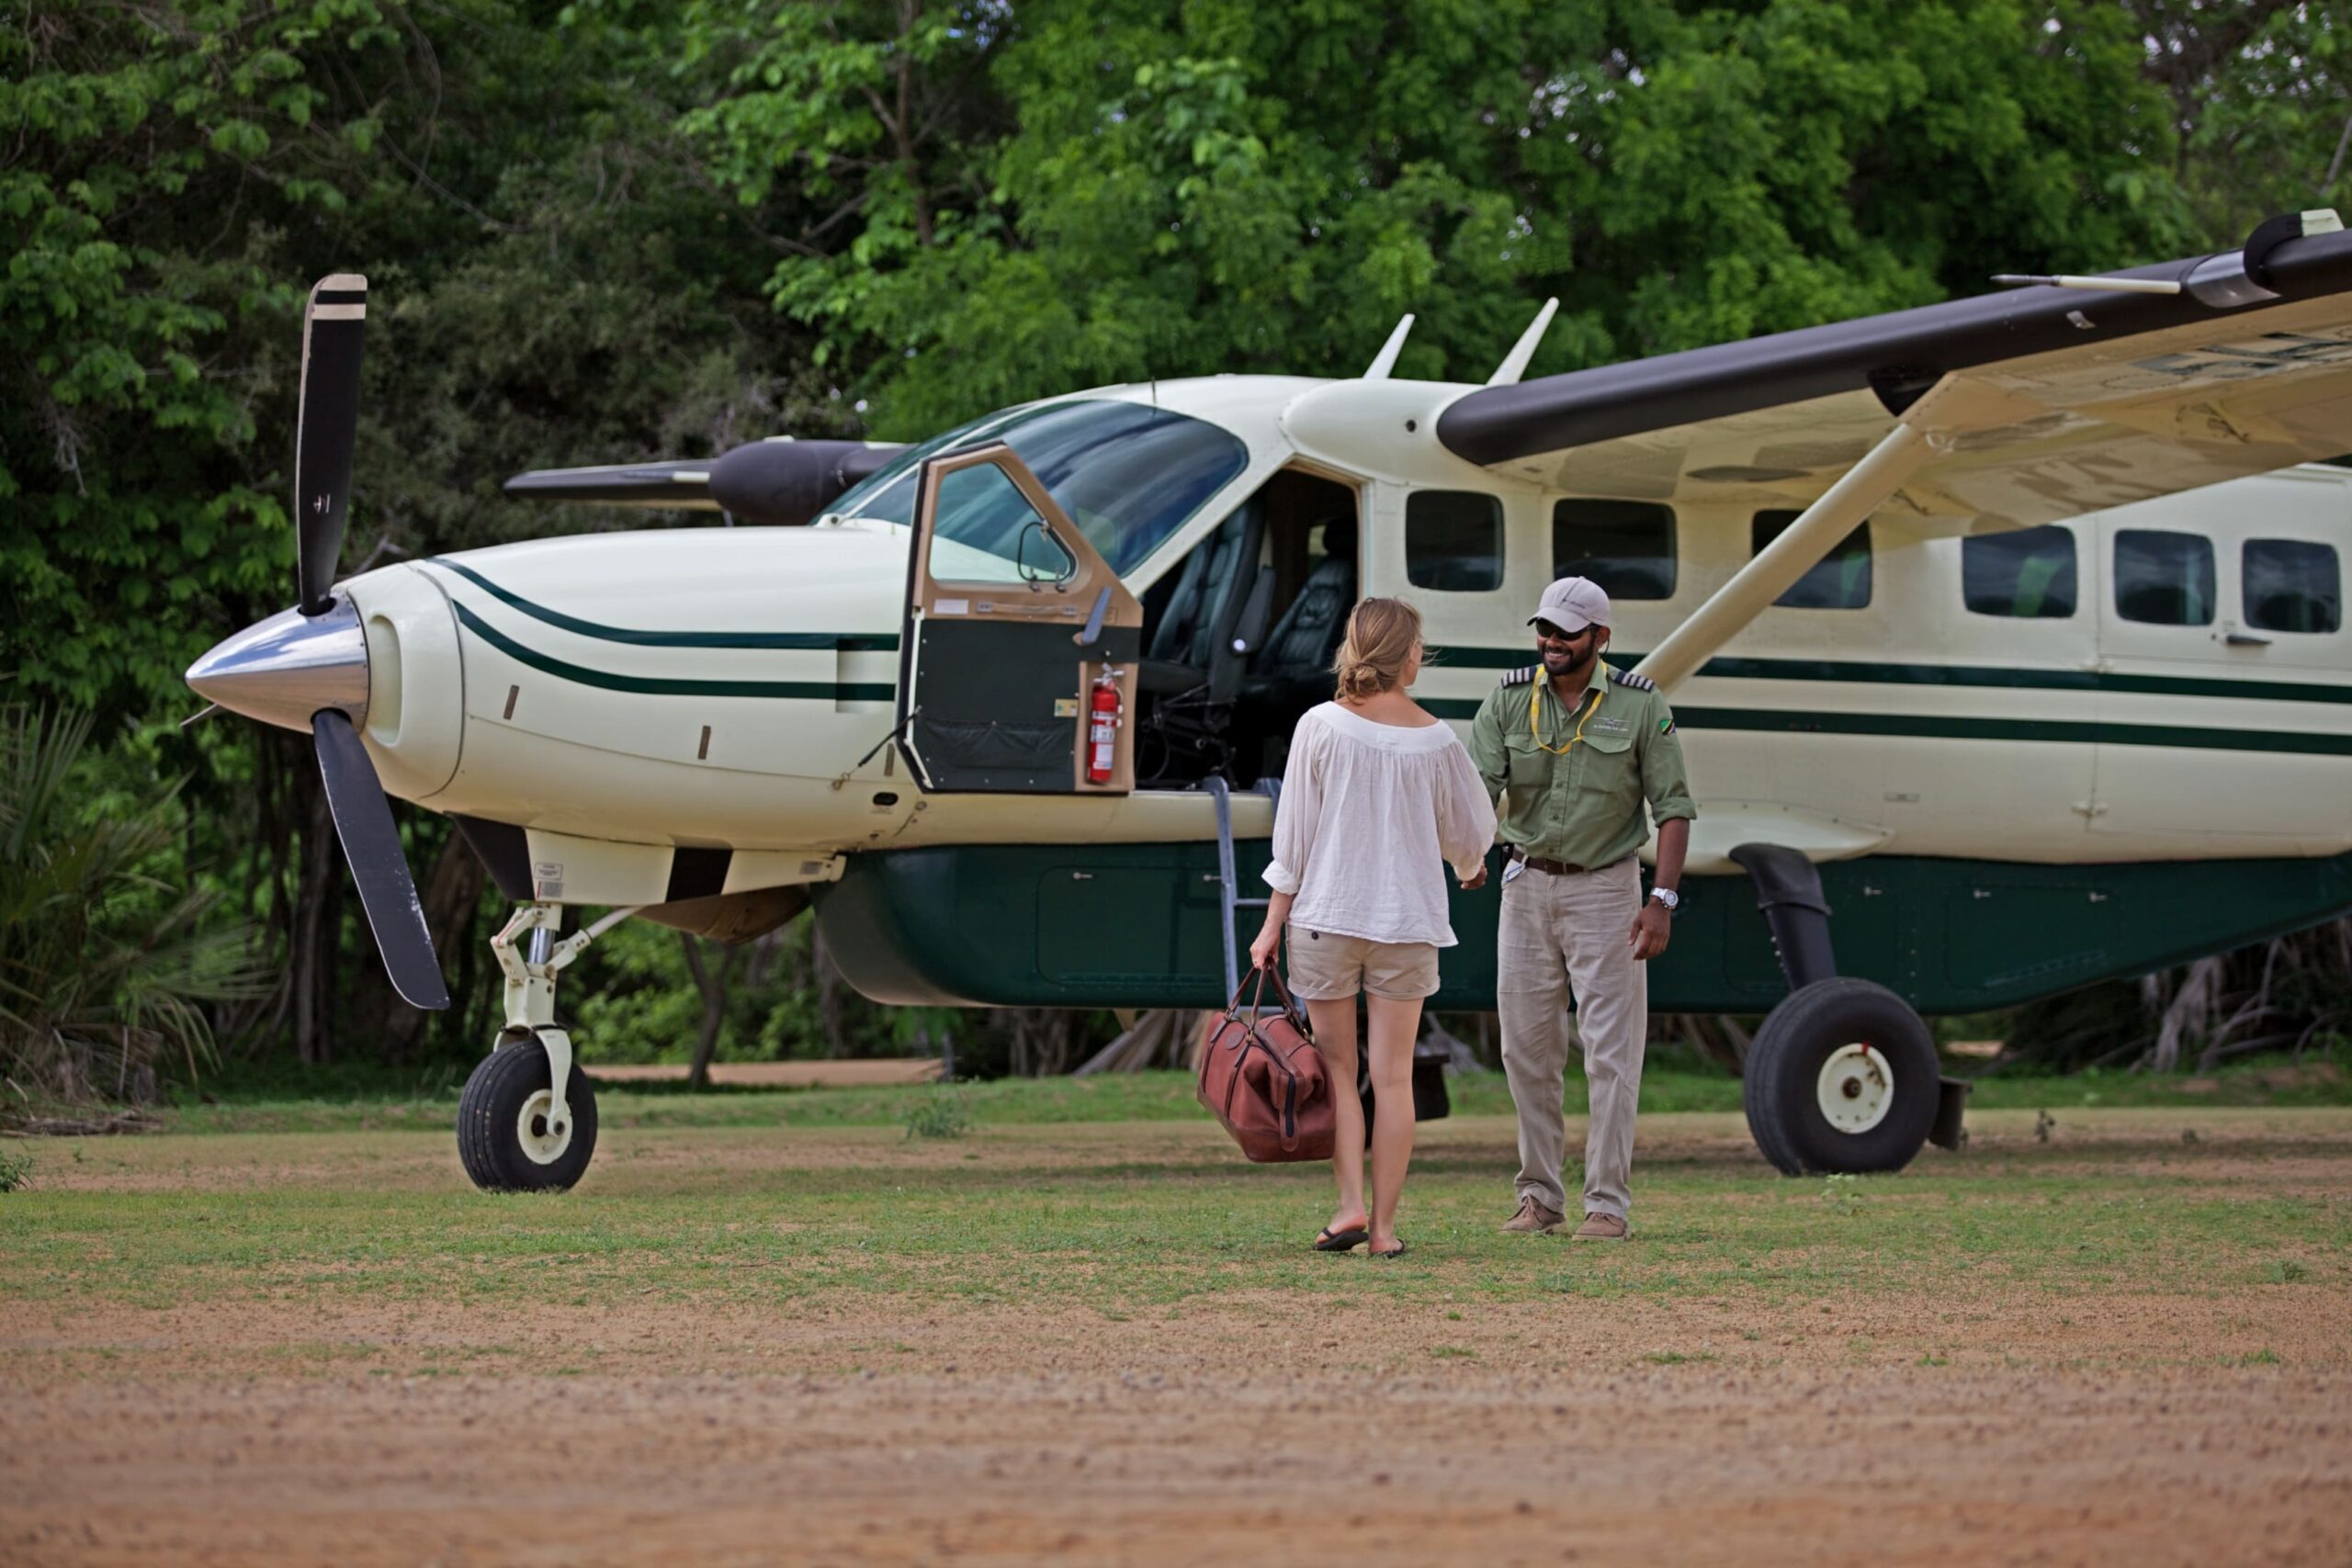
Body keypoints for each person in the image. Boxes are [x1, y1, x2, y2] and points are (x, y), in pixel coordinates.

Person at [1249, 598, 1496, 1259]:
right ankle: (1383, 1231)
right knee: (1392, 1078)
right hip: (1408, 926)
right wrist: (1469, 868)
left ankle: (1349, 1205)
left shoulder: (1320, 726)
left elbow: (1292, 842)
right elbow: (1473, 831)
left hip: (1327, 919)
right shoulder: (1439, 740)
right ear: (1408, 655)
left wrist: (1272, 924)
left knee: (1338, 1069)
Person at [1467, 577, 1695, 1242]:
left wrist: (1662, 899)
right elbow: (1477, 793)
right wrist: (1466, 853)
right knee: (1525, 1049)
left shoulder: (1641, 704)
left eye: (1567, 632)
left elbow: (1674, 808)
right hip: (1526, 885)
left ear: (1601, 637)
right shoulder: (1509, 699)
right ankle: (1539, 1195)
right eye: (1544, 628)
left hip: (1607, 887)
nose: (1551, 642)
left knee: (1610, 1052)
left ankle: (1607, 1204)